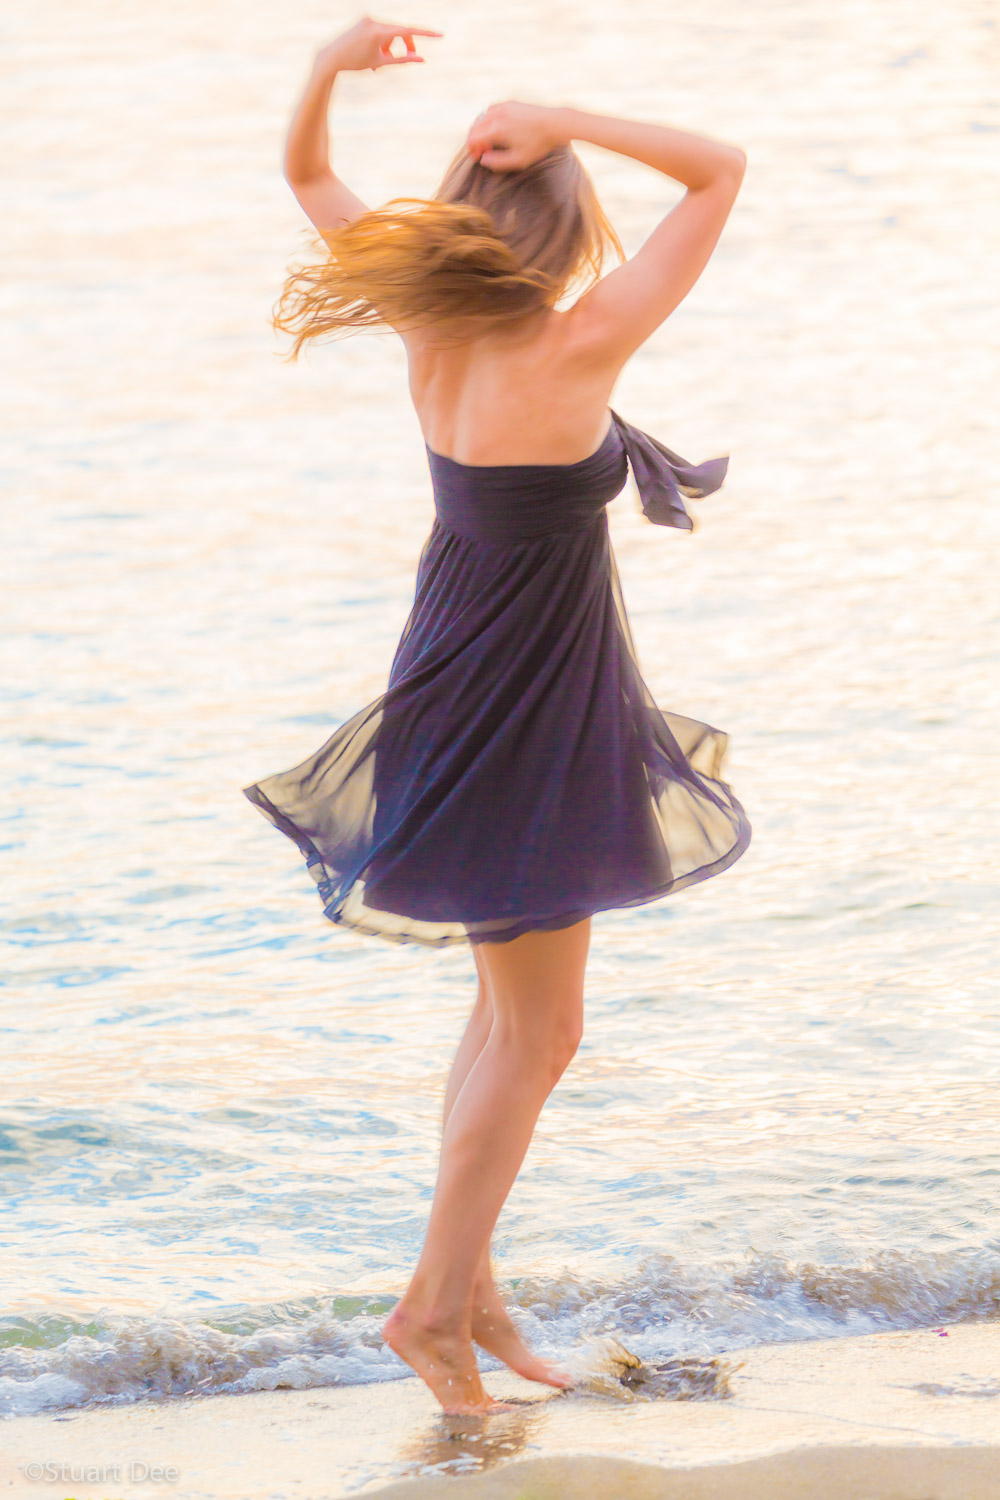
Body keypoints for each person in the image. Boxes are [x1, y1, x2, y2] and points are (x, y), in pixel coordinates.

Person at [242, 15, 751, 1414]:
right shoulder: (583, 339)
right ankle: (425, 1312)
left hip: (458, 683)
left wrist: (326, 67)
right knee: (539, 1036)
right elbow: (718, 171)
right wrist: (566, 112)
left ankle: (472, 1294)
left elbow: (306, 177)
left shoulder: (426, 316)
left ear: (465, 222)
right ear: (570, 234)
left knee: (500, 1022)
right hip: (529, 714)